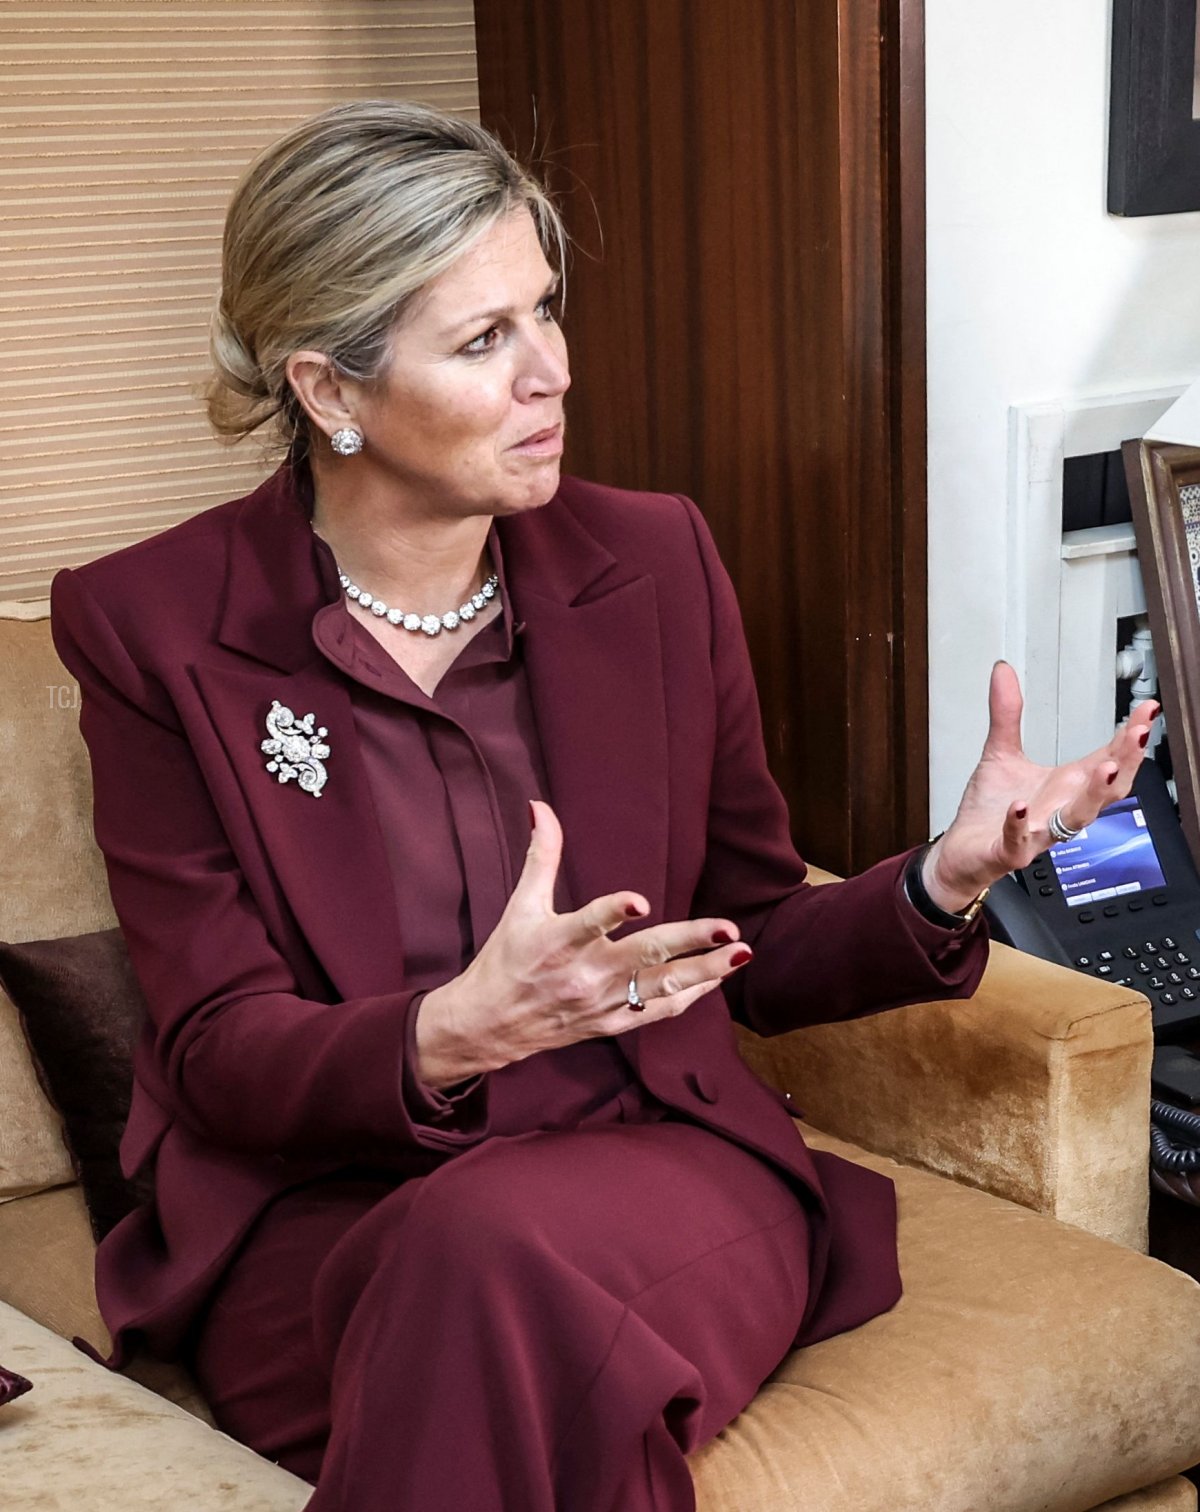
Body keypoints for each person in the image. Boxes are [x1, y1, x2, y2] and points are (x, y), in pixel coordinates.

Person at [50, 102, 1155, 1512]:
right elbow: (215, 1048)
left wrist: (939, 878)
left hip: (656, 1166)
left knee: (488, 1261)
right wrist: (449, 1035)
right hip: (323, 1214)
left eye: (545, 313)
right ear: (330, 390)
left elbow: (750, 929)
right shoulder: (151, 628)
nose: (553, 374)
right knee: (489, 1300)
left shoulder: (654, 562)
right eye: (482, 341)